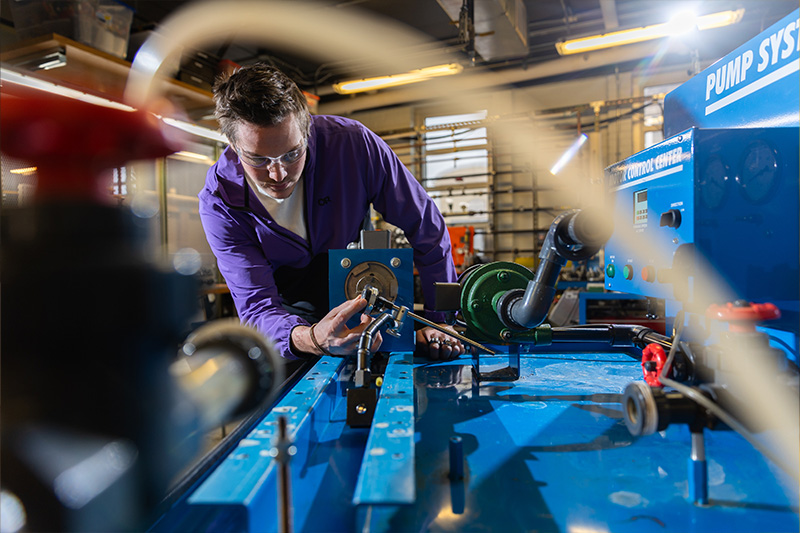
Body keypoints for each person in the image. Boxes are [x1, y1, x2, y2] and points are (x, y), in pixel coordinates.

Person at [198, 63, 464, 361]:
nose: (278, 174)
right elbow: (258, 305)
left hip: (363, 292)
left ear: (306, 129)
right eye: (257, 159)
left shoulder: (353, 146)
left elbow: (426, 226)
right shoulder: (221, 201)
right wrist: (309, 338)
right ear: (233, 144)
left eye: (292, 153)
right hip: (288, 311)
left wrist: (441, 320)